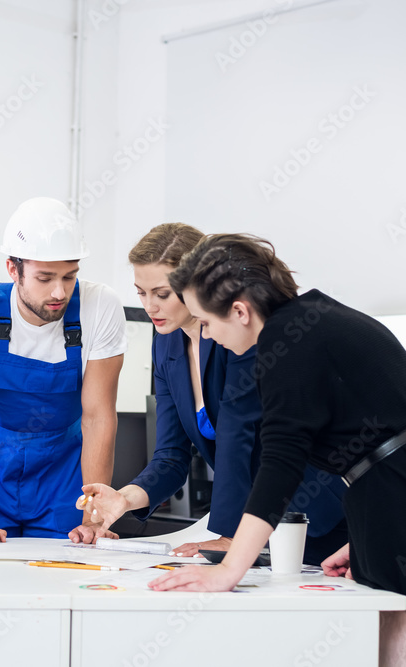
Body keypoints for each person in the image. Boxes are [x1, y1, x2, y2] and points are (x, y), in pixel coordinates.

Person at [147, 233, 406, 667]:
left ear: (239, 311)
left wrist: (228, 570)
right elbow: (387, 430)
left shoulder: (285, 346)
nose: (207, 335)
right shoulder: (318, 316)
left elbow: (281, 465)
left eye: (206, 322)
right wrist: (369, 534)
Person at [71, 224, 348, 565]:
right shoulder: (167, 343)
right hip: (252, 522)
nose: (149, 307)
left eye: (162, 294)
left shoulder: (236, 332)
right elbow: (171, 456)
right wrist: (124, 499)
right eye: (141, 293)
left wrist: (228, 535)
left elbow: (237, 432)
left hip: (311, 511)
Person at [0, 197, 127, 542]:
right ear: (12, 269)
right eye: (44, 277)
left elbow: (98, 417)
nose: (59, 292)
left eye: (70, 277)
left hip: (61, 474)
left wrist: (93, 519)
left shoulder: (101, 306)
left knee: (62, 576)